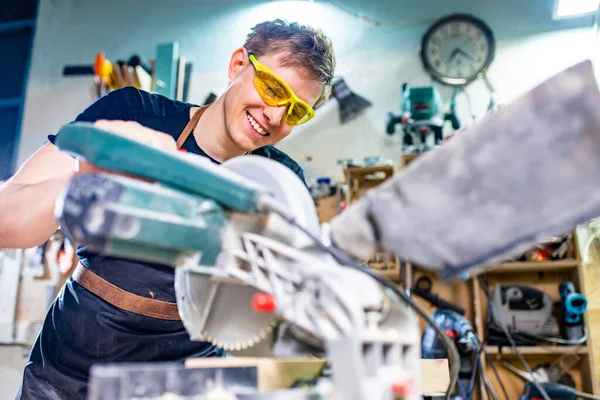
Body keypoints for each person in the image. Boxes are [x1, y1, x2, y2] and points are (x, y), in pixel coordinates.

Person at [0, 19, 335, 399]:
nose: (275, 116)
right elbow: (4, 221)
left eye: (295, 111)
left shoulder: (281, 182)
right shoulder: (134, 113)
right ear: (238, 65)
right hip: (68, 374)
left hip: (182, 383)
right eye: (272, 88)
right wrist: (84, 183)